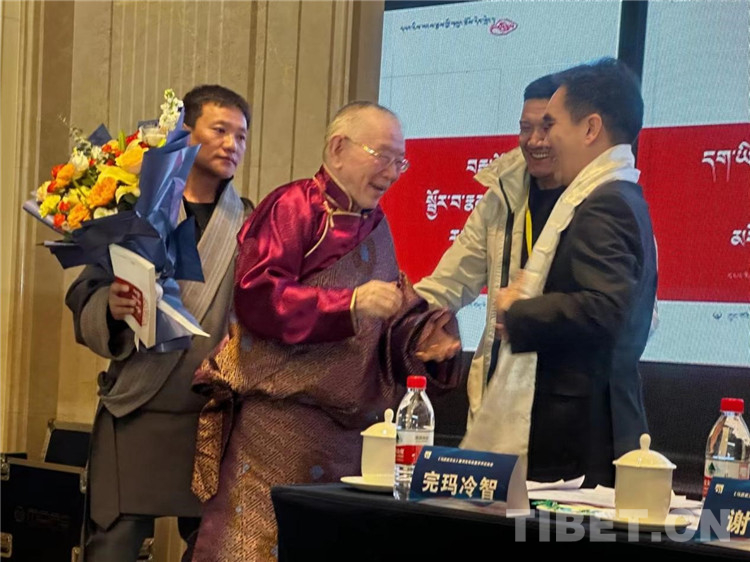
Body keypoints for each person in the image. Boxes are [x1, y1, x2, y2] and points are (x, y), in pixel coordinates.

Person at [189, 101, 462, 561]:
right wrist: (348, 303)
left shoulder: (377, 225)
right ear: (338, 148)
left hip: (349, 437)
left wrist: (424, 338)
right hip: (281, 425)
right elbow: (257, 295)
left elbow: (387, 319)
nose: (392, 173)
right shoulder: (294, 206)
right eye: (383, 156)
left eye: (400, 161)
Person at [66, 84, 253, 561]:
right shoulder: (135, 209)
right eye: (220, 130)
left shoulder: (249, 223)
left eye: (241, 136)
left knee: (212, 548)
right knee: (112, 545)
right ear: (185, 133)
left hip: (212, 416)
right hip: (138, 406)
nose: (232, 144)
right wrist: (112, 306)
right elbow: (85, 293)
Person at [460, 58, 657, 487]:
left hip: (579, 442)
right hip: (593, 428)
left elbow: (606, 310)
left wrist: (519, 310)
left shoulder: (603, 204)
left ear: (590, 129)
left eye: (551, 125)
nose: (543, 140)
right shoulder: (621, 193)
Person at [415, 73, 565, 431]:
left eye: (547, 127)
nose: (534, 140)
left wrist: (539, 315)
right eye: (525, 128)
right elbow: (450, 281)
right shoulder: (501, 197)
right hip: (497, 404)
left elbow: (632, 314)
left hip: (564, 406)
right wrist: (408, 322)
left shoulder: (601, 203)